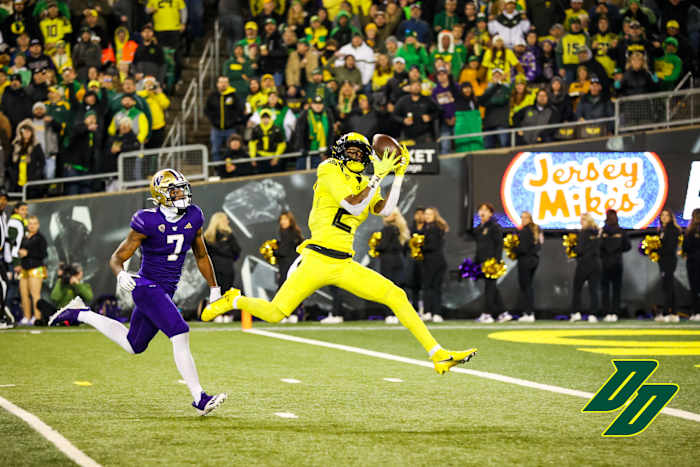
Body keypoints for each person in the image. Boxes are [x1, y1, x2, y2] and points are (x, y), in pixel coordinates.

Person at [202, 133, 477, 373]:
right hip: (316, 258)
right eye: (351, 151)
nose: (355, 156)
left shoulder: (366, 181)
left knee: (396, 295)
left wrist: (399, 174)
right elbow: (353, 206)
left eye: (360, 152)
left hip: (344, 264)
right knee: (275, 313)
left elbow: (387, 211)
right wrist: (379, 176)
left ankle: (438, 354)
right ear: (340, 153)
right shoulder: (329, 169)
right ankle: (234, 301)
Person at [49, 169, 227, 415]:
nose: (181, 194)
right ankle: (199, 397)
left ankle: (80, 313)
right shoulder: (147, 221)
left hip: (166, 289)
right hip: (146, 287)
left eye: (182, 188)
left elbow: (200, 254)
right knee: (180, 332)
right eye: (174, 190)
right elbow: (117, 258)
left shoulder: (194, 217)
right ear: (161, 195)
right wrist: (121, 273)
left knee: (134, 344)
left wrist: (214, 287)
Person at [474, 203, 507, 324]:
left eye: (485, 210)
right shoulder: (479, 228)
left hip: (492, 263)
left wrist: (496, 262)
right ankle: (503, 313)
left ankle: (487, 314)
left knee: (490, 288)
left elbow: (499, 246)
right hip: (483, 262)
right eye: (480, 210)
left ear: (491, 213)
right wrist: (476, 261)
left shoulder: (495, 227)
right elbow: (479, 247)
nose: (482, 212)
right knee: (492, 288)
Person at [203, 212, 241, 306]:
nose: (228, 222)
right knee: (226, 292)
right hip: (227, 267)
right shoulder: (229, 236)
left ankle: (216, 313)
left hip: (213, 269)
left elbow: (203, 254)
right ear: (221, 221)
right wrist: (230, 259)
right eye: (226, 220)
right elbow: (237, 250)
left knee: (215, 292)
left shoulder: (206, 237)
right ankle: (225, 314)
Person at [205, 76, 245, 163]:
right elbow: (207, 110)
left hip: (230, 129)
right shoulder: (212, 96)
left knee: (232, 150)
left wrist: (234, 121)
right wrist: (213, 120)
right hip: (216, 129)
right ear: (217, 84)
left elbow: (239, 110)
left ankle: (232, 169)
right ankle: (218, 169)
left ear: (228, 84)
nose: (223, 84)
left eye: (225, 82)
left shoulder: (234, 96)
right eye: (221, 82)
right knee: (215, 151)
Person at [600, 209, 630, 322]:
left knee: (607, 289)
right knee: (614, 289)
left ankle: (609, 313)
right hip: (615, 263)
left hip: (607, 263)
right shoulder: (620, 231)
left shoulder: (603, 231)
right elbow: (627, 246)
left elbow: (599, 246)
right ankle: (613, 313)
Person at [570, 213, 601, 323]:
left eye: (582, 220)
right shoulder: (597, 232)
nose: (581, 222)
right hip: (596, 263)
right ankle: (593, 314)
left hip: (584, 263)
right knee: (594, 290)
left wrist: (573, 249)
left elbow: (580, 249)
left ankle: (576, 313)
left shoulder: (584, 233)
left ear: (587, 221)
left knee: (577, 288)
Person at [18, 215, 47, 325]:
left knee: (35, 294)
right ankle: (26, 317)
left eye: (34, 223)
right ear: (27, 225)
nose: (32, 226)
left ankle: (37, 317)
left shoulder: (40, 238)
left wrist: (28, 253)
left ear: (38, 225)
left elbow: (44, 254)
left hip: (36, 268)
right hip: (24, 268)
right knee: (24, 293)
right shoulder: (24, 237)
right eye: (30, 223)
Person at [421, 207, 448, 321]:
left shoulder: (433, 228)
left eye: (429, 214)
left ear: (434, 216)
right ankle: (434, 313)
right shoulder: (429, 227)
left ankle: (430, 312)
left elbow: (432, 246)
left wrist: (420, 246)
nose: (426, 216)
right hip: (436, 261)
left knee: (430, 287)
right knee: (433, 287)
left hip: (433, 261)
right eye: (425, 214)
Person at [515, 212, 541, 323]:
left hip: (525, 261)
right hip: (534, 260)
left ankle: (528, 312)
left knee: (525, 287)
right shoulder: (535, 230)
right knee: (528, 286)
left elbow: (522, 248)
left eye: (525, 218)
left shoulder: (525, 231)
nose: (523, 219)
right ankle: (529, 312)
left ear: (530, 219)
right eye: (522, 218)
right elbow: (538, 246)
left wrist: (513, 249)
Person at [656, 208, 680, 322]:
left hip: (669, 261)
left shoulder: (673, 230)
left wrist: (657, 250)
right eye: (662, 215)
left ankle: (666, 313)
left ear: (671, 217)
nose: (664, 217)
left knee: (667, 286)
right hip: (663, 261)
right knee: (669, 286)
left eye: (666, 215)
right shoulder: (662, 230)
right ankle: (674, 313)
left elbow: (670, 248)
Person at [375, 208, 409, 287]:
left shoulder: (388, 229)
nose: (385, 216)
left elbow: (383, 246)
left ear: (394, 216)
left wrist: (376, 246)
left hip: (388, 262)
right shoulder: (401, 228)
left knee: (389, 286)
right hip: (399, 260)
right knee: (397, 287)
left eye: (388, 214)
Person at [275, 211, 304, 290]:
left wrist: (273, 251)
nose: (282, 222)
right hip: (292, 268)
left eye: (285, 219)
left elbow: (284, 251)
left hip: (289, 268)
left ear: (290, 221)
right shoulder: (294, 233)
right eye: (281, 219)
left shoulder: (288, 234)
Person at [682, 208, 700, 322]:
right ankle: (696, 311)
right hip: (692, 263)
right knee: (694, 288)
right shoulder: (689, 231)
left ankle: (697, 311)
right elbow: (685, 247)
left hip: (694, 262)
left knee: (696, 288)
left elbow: (686, 248)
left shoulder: (690, 231)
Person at [406, 207, 425, 311]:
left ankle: (425, 308)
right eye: (418, 214)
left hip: (425, 261)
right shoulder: (410, 229)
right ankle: (415, 307)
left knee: (425, 285)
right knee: (413, 285)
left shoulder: (428, 229)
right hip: (413, 261)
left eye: (422, 214)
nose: (420, 216)